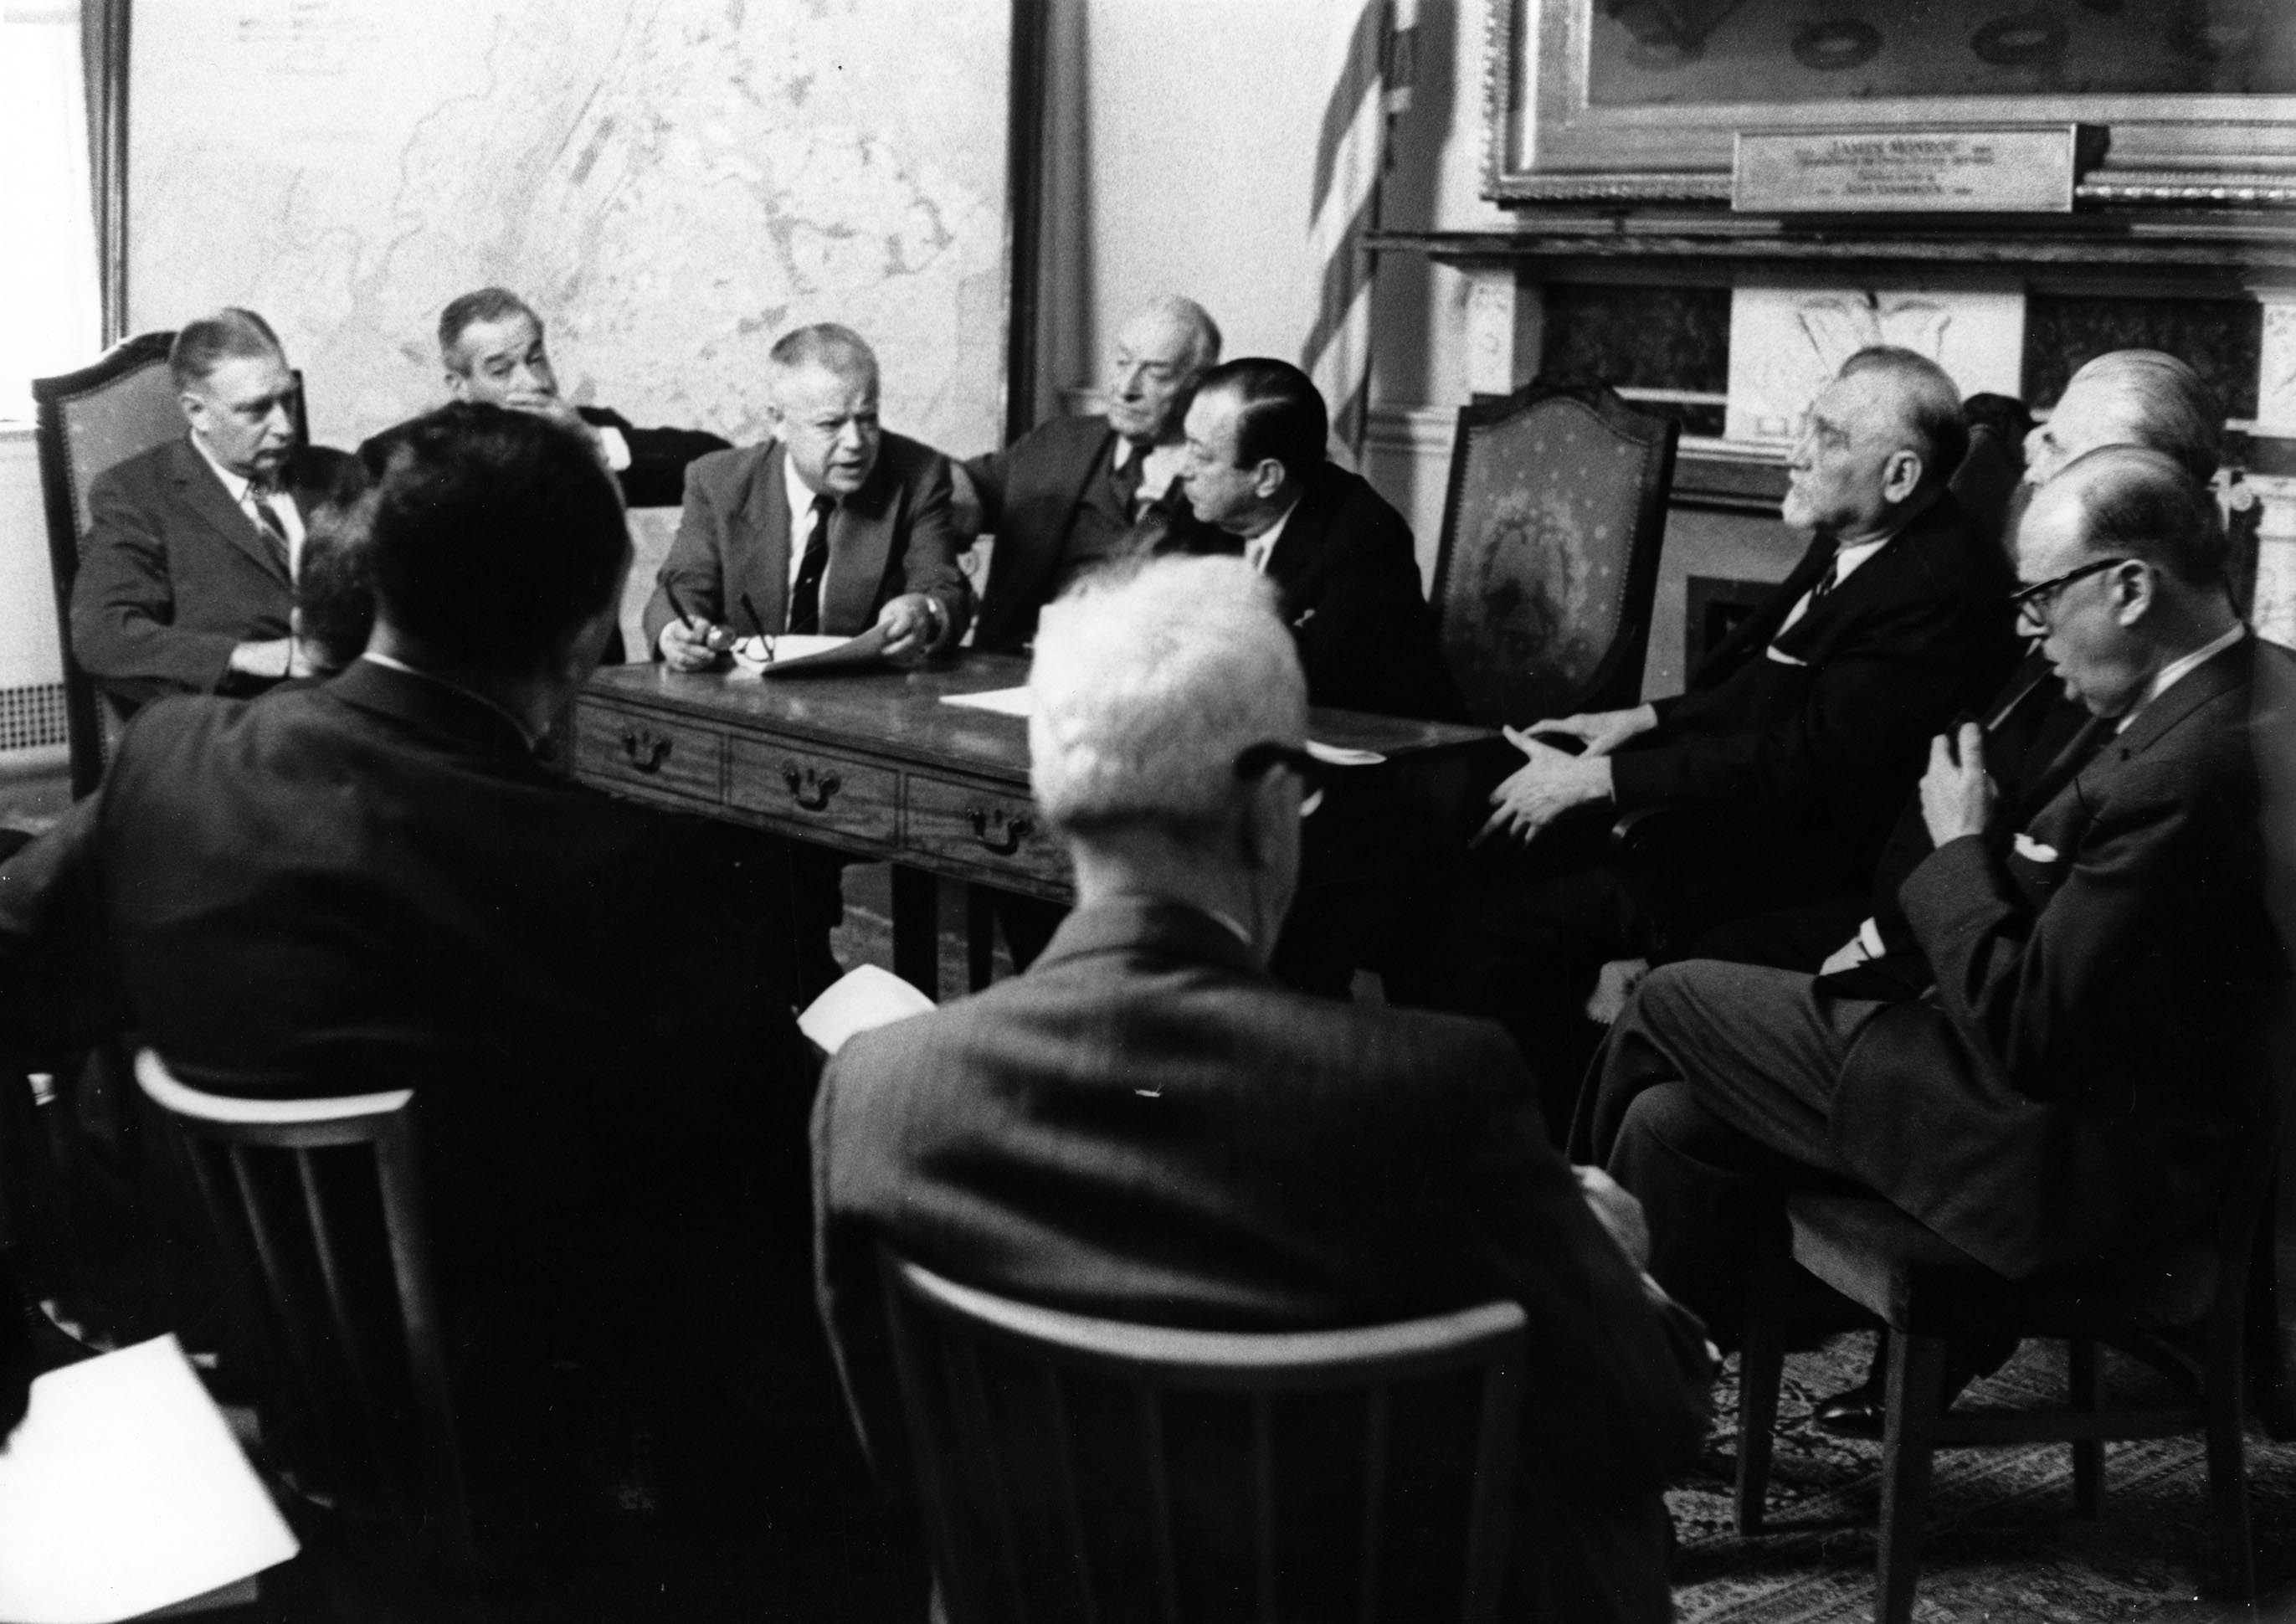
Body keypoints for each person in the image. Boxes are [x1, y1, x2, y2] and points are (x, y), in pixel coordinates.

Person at [814, 555, 1712, 1623]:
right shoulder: (1431, 1089)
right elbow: (1645, 1426)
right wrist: (1621, 1268)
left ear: (1051, 790)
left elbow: (886, 1462)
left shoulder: (880, 1087)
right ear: (1275, 805)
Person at [0, 402, 807, 1515]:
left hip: (245, 1388)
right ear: (582, 633)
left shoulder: (172, 762)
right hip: (547, 1453)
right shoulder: (625, 865)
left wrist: (41, 1306)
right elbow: (777, 1156)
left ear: (365, 588)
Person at [1579, 448, 2292, 1421]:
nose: (2029, 633)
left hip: (2062, 1156)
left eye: (2040, 599)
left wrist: (1958, 844)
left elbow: (2029, 1027)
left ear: (2130, 586)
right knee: (1672, 1123)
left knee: (1668, 997)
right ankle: (1630, 1406)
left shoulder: (2183, 767)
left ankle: (1558, 1335)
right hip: (2064, 1107)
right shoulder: (2243, 688)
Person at [1410, 347, 2017, 1123]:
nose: (1795, 454)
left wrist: (1605, 783)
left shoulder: (1933, 590)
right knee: (1463, 847)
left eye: (1825, 437)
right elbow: (1758, 682)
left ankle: (1545, 1154)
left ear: (1898, 476)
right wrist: (1644, 719)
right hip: (1726, 812)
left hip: (1775, 862)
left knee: (1485, 930)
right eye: (1807, 423)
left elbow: (1810, 763)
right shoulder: (1861, 530)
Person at [1692, 348, 2227, 986]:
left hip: (1946, 968)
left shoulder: (2123, 683)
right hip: (1905, 919)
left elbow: (2027, 950)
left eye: (2061, 450)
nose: (2031, 458)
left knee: (1678, 992)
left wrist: (1875, 943)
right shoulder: (2068, 622)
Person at [70, 309, 360, 713]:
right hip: (236, 725)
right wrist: (258, 657)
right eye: (256, 409)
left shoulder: (341, 474)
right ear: (197, 412)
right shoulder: (137, 494)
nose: (285, 427)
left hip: (357, 708)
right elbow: (105, 636)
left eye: (287, 399)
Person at [643, 322, 970, 666]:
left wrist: (925, 612)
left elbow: (943, 587)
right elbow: (683, 586)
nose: (856, 442)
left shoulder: (919, 474)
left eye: (868, 418)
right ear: (778, 421)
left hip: (863, 696)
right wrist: (676, 633)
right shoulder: (719, 480)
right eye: (830, 424)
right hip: (744, 696)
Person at [1175, 357, 1463, 723]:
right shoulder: (1196, 500)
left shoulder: (1367, 538)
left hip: (1386, 748)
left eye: (1200, 455)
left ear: (1266, 478)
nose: (1182, 468)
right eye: (1186, 443)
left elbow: (1308, 675)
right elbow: (1149, 537)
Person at [962, 295, 1223, 653]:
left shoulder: (1223, 474)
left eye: (1156, 373)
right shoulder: (1058, 443)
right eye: (1122, 361)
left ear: (1198, 383)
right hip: (1011, 671)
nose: (1126, 387)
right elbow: (947, 489)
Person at [438, 285, 729, 509]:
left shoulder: (582, 433)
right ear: (460, 385)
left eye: (537, 359)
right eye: (501, 370)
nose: (533, 382)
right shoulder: (420, 459)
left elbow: (726, 470)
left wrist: (592, 440)